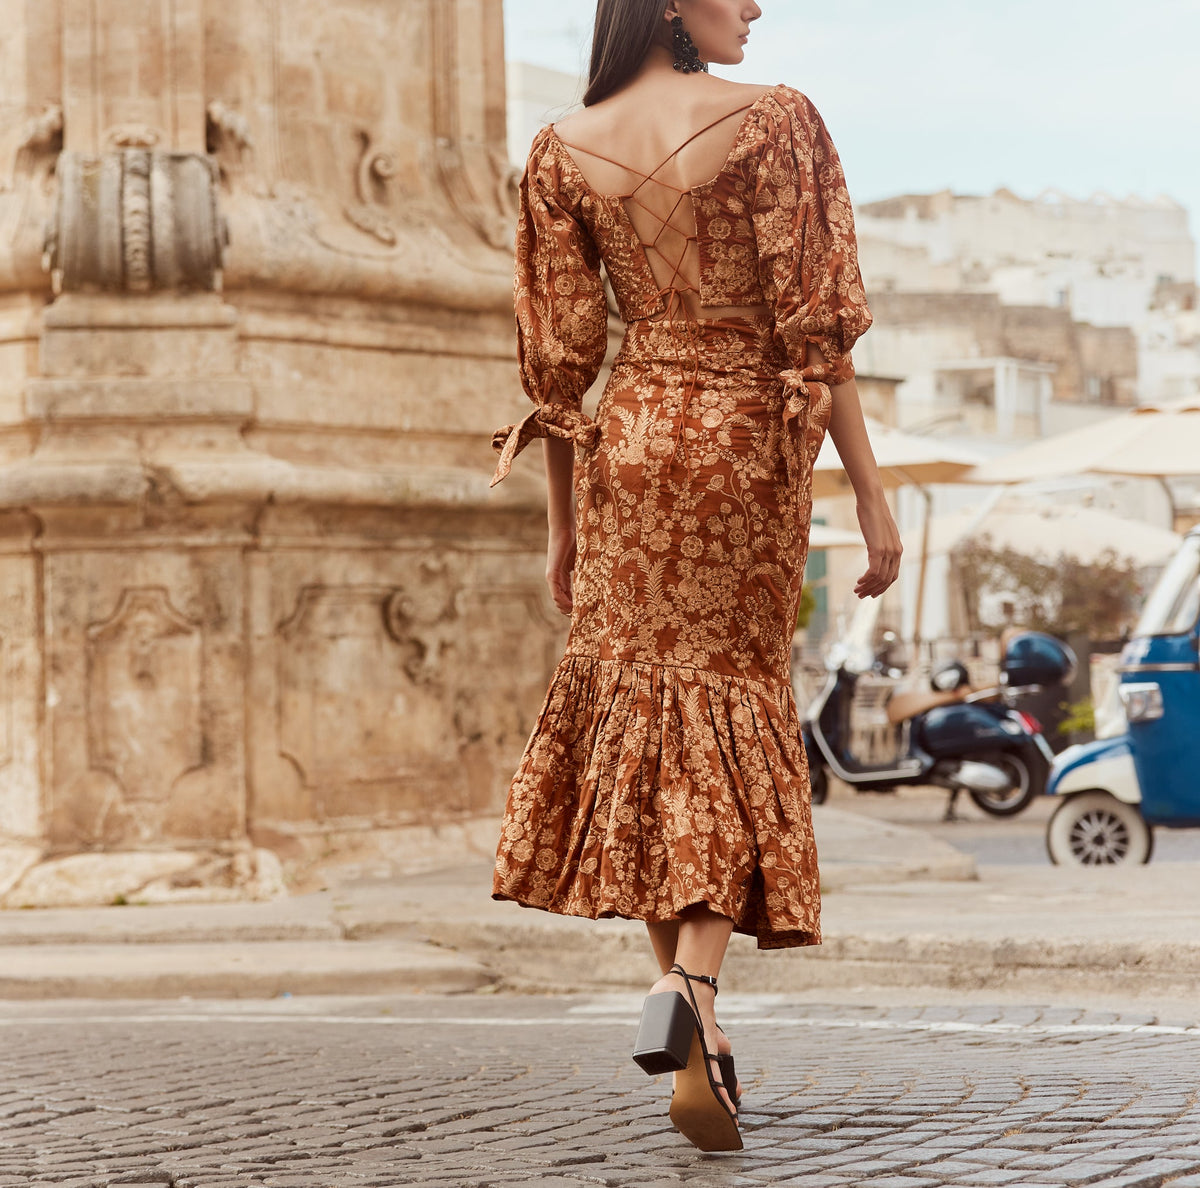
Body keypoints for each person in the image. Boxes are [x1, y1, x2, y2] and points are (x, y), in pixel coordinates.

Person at [490, 0, 901, 1152]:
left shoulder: (560, 151)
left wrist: (562, 529)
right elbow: (818, 340)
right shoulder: (775, 123)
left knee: (644, 712)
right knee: (728, 701)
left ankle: (696, 1034)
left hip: (627, 440)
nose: (759, 5)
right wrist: (869, 491)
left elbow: (559, 372)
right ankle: (697, 996)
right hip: (740, 445)